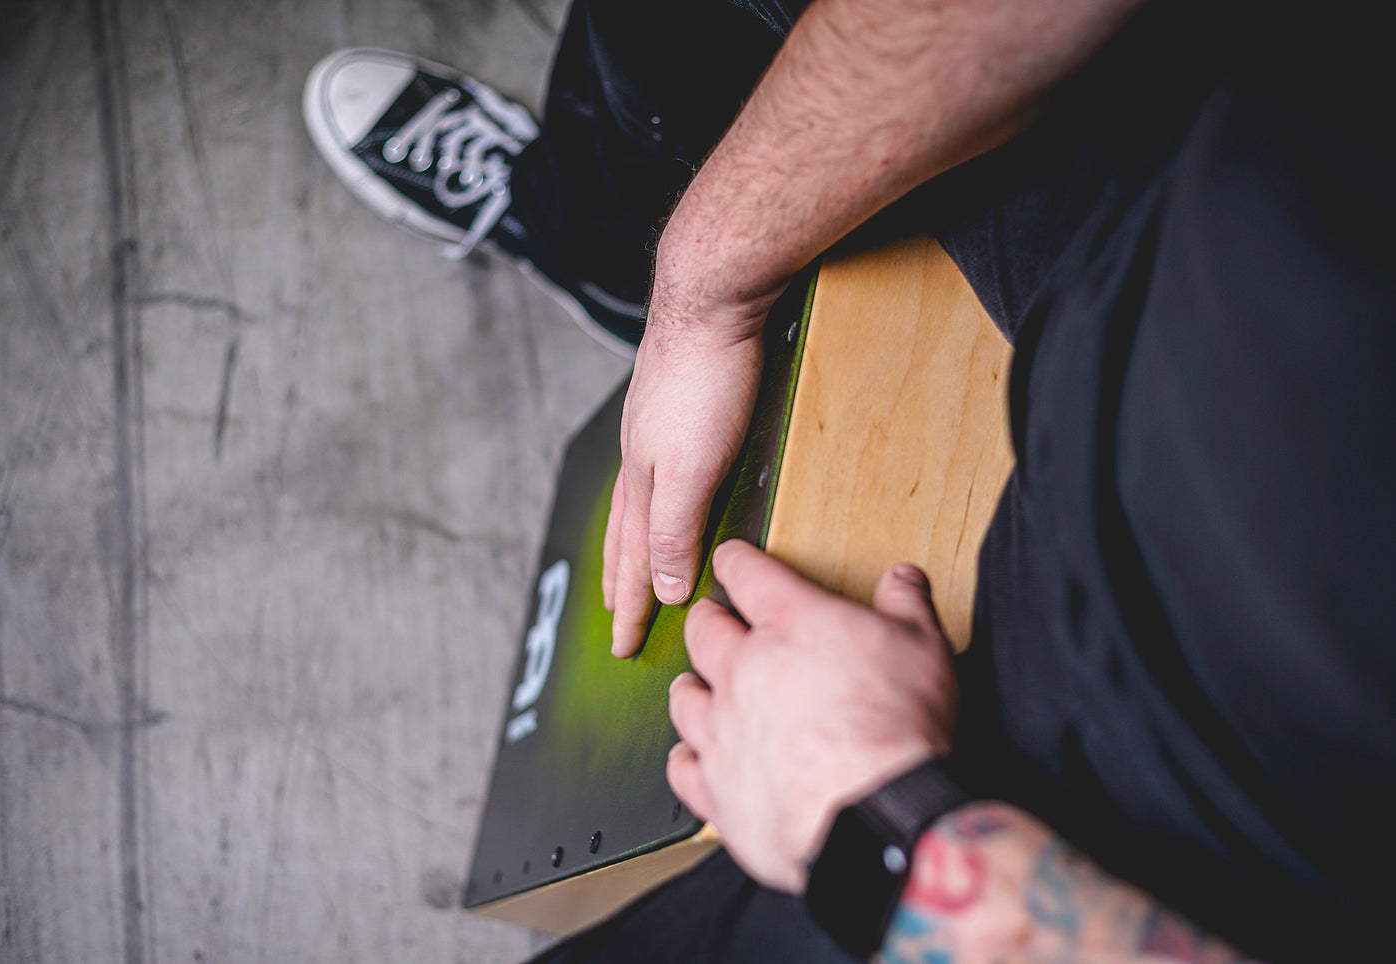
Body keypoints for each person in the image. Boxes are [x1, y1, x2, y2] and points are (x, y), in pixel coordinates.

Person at [304, 0, 1394, 960]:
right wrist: (699, 287)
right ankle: (599, 247)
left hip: (1190, 788)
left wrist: (879, 820)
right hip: (1180, 222)